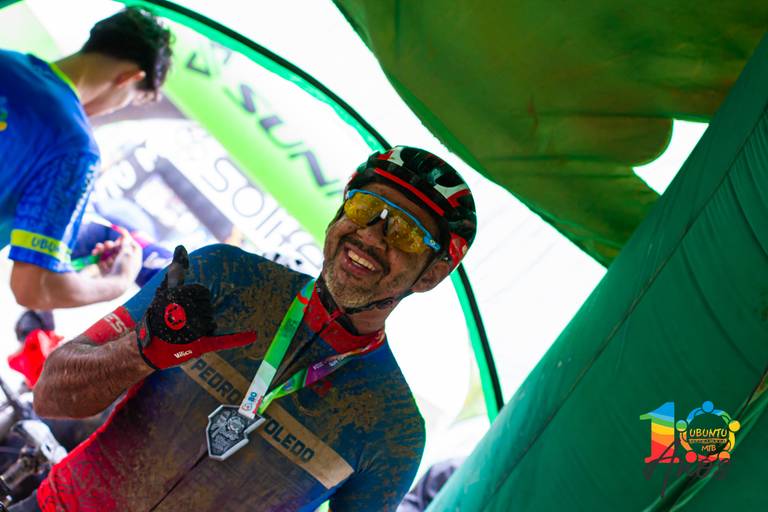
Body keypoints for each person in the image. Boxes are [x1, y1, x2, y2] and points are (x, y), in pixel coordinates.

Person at [26, 146, 478, 511]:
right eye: (365, 207)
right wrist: (140, 352)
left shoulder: (393, 428)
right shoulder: (222, 276)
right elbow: (50, 395)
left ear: (432, 273)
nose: (372, 235)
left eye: (405, 233)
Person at [0, 7, 172, 309]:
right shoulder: (75, 148)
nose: (116, 108)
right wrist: (118, 281)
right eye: (131, 100)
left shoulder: (5, 59)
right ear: (129, 78)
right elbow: (33, 288)